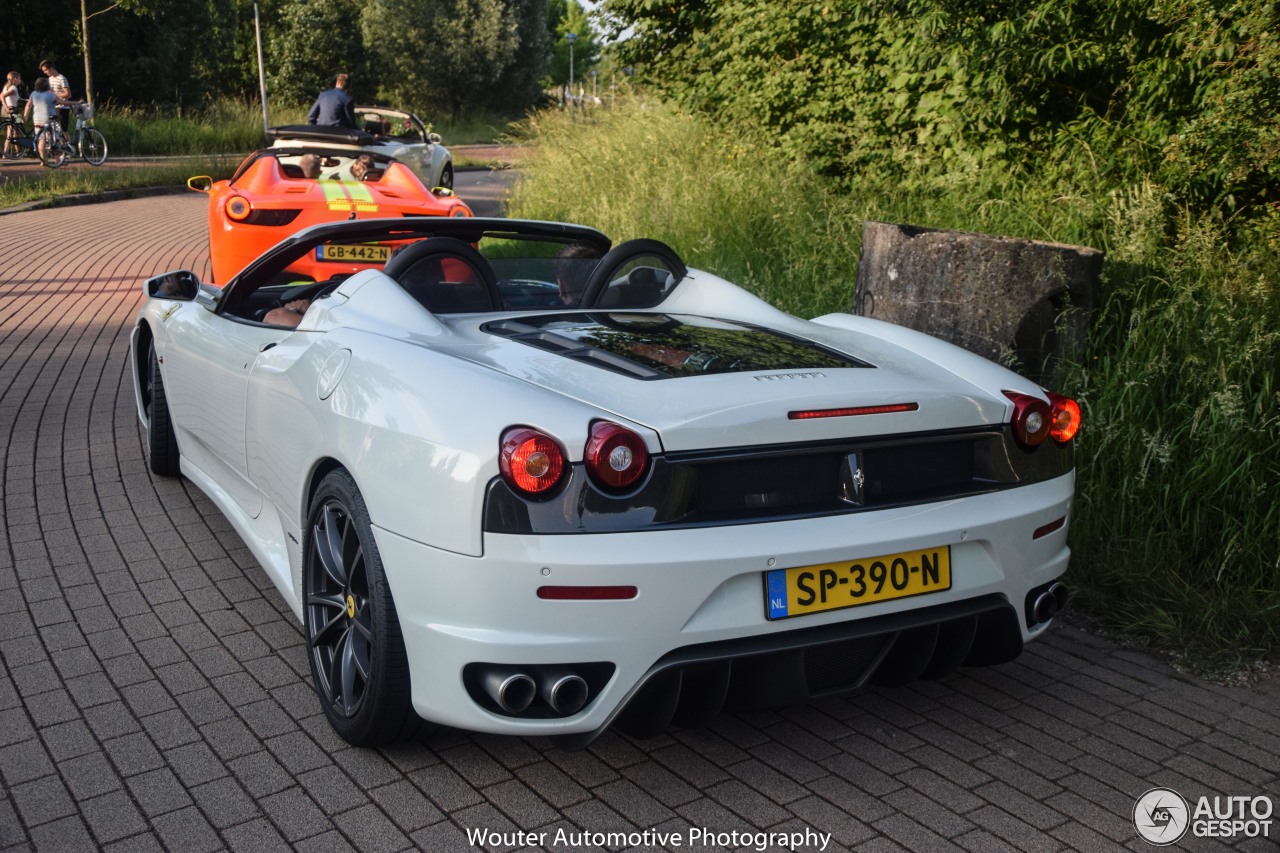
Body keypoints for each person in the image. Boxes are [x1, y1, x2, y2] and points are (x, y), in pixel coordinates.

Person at [23, 77, 72, 161]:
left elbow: (28, 105)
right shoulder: (51, 94)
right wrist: (76, 102)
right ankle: (58, 159)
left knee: (41, 139)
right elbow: (63, 102)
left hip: (37, 119)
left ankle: (43, 160)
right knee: (56, 139)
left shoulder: (33, 94)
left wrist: (25, 116)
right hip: (49, 119)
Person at [39, 60, 72, 134]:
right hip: (53, 108)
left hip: (62, 108)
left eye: (45, 70)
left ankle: (69, 145)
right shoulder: (50, 79)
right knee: (53, 131)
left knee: (64, 132)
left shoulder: (61, 78)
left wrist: (54, 93)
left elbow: (68, 94)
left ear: (51, 68)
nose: (45, 72)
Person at [2, 72, 22, 157]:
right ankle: (14, 152)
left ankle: (12, 152)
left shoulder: (5, 87)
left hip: (5, 111)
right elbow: (1, 96)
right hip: (13, 110)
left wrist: (5, 107)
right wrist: (7, 107)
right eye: (19, 78)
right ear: (15, 79)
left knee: (12, 131)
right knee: (16, 130)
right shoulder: (13, 88)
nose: (20, 80)